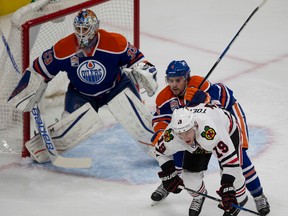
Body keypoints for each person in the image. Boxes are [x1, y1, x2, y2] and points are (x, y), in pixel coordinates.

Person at [7, 9, 158, 162]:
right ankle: (41, 147)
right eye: (78, 29)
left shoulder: (114, 42)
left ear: (95, 28)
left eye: (85, 29)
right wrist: (29, 86)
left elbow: (137, 59)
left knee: (138, 122)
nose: (81, 33)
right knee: (68, 132)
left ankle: (162, 146)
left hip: (116, 87)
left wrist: (145, 70)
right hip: (81, 94)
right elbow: (39, 68)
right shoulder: (63, 48)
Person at [151, 60, 270, 216]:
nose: (174, 85)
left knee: (240, 159)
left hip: (225, 120)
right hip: (191, 131)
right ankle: (171, 182)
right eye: (170, 81)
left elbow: (219, 107)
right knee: (176, 152)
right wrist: (161, 133)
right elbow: (160, 119)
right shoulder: (164, 98)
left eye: (178, 80)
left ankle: (258, 194)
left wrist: (205, 98)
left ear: (187, 78)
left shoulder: (200, 86)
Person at [153, 105, 248, 216]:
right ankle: (199, 196)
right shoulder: (171, 134)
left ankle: (240, 200)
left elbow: (230, 163)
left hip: (226, 130)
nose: (184, 137)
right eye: (180, 134)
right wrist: (169, 172)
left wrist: (228, 187)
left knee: (233, 175)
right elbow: (160, 152)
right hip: (199, 138)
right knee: (189, 180)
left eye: (187, 132)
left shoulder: (210, 131)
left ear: (195, 125)